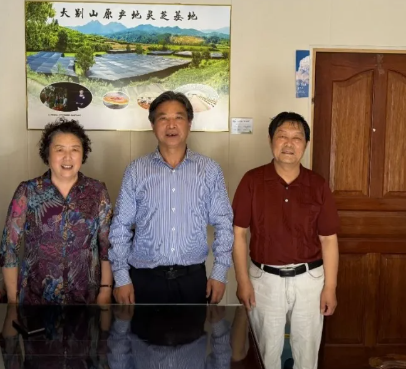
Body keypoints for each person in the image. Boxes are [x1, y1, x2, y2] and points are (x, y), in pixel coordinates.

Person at [232, 112, 340, 369]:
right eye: (282, 136)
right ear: (271, 140)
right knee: (266, 352)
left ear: (306, 144)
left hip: (310, 280)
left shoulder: (317, 185)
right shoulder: (252, 181)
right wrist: (243, 281)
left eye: (297, 138)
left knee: (307, 353)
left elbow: (328, 239)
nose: (289, 143)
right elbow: (239, 234)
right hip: (264, 280)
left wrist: (330, 287)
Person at [108, 91, 234, 304]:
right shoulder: (136, 170)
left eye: (178, 117)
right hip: (144, 280)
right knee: (141, 328)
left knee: (194, 328)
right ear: (152, 125)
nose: (171, 125)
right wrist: (121, 277)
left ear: (189, 123)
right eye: (163, 118)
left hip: (193, 281)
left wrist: (220, 272)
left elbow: (224, 224)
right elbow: (120, 226)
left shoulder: (209, 170)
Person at [0, 117, 113, 305]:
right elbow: (9, 249)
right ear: (47, 154)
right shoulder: (27, 192)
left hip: (86, 299)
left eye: (75, 149)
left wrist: (106, 290)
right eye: (59, 150)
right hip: (36, 300)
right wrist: (13, 300)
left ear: (83, 154)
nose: (68, 157)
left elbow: (107, 246)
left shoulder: (97, 191)